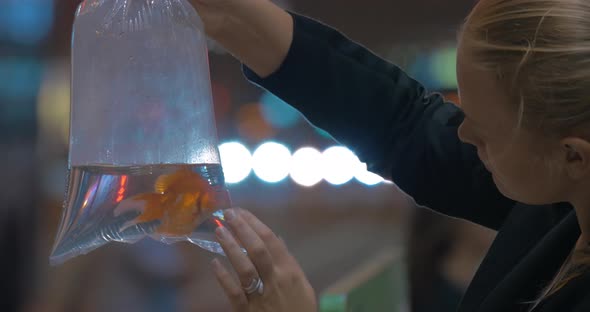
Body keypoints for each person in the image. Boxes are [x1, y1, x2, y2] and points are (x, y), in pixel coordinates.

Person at [191, 0, 590, 311]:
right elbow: (406, 122)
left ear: (573, 157)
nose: (463, 135)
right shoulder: (565, 198)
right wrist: (229, 16)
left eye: (485, 133)